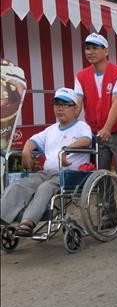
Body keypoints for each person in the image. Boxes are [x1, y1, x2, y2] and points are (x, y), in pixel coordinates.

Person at [1, 88, 92, 236]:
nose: (59, 108)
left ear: (75, 108)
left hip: (69, 175)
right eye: (56, 104)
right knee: (19, 185)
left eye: (65, 104)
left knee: (45, 188)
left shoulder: (82, 127)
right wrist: (26, 151)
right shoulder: (50, 130)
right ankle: (3, 217)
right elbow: (33, 140)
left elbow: (86, 140)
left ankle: (27, 222)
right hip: (46, 173)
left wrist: (67, 149)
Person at [74, 33, 117, 191]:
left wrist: (107, 128)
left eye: (95, 48)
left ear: (106, 51)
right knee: (101, 175)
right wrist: (69, 126)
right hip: (97, 131)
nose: (90, 52)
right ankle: (108, 215)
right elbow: (77, 104)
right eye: (87, 48)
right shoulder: (81, 76)